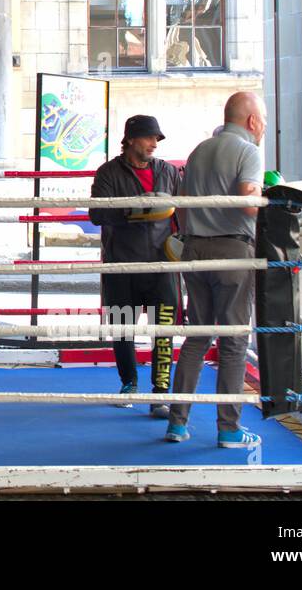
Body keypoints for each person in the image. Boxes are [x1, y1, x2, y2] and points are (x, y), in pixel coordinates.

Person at [164, 91, 266, 448]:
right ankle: (228, 429)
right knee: (234, 341)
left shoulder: (199, 151)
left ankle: (177, 423)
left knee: (196, 337)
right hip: (232, 250)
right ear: (252, 121)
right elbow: (248, 198)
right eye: (263, 120)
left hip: (195, 249)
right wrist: (272, 200)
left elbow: (182, 206)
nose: (264, 127)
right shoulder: (248, 152)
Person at [88, 115, 182, 418]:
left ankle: (160, 393)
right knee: (123, 328)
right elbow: (96, 215)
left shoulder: (168, 172)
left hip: (162, 264)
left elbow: (184, 212)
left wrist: (184, 243)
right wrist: (134, 210)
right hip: (122, 263)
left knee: (163, 329)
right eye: (148, 138)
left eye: (157, 139)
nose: (154, 144)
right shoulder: (108, 172)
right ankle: (129, 383)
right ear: (130, 139)